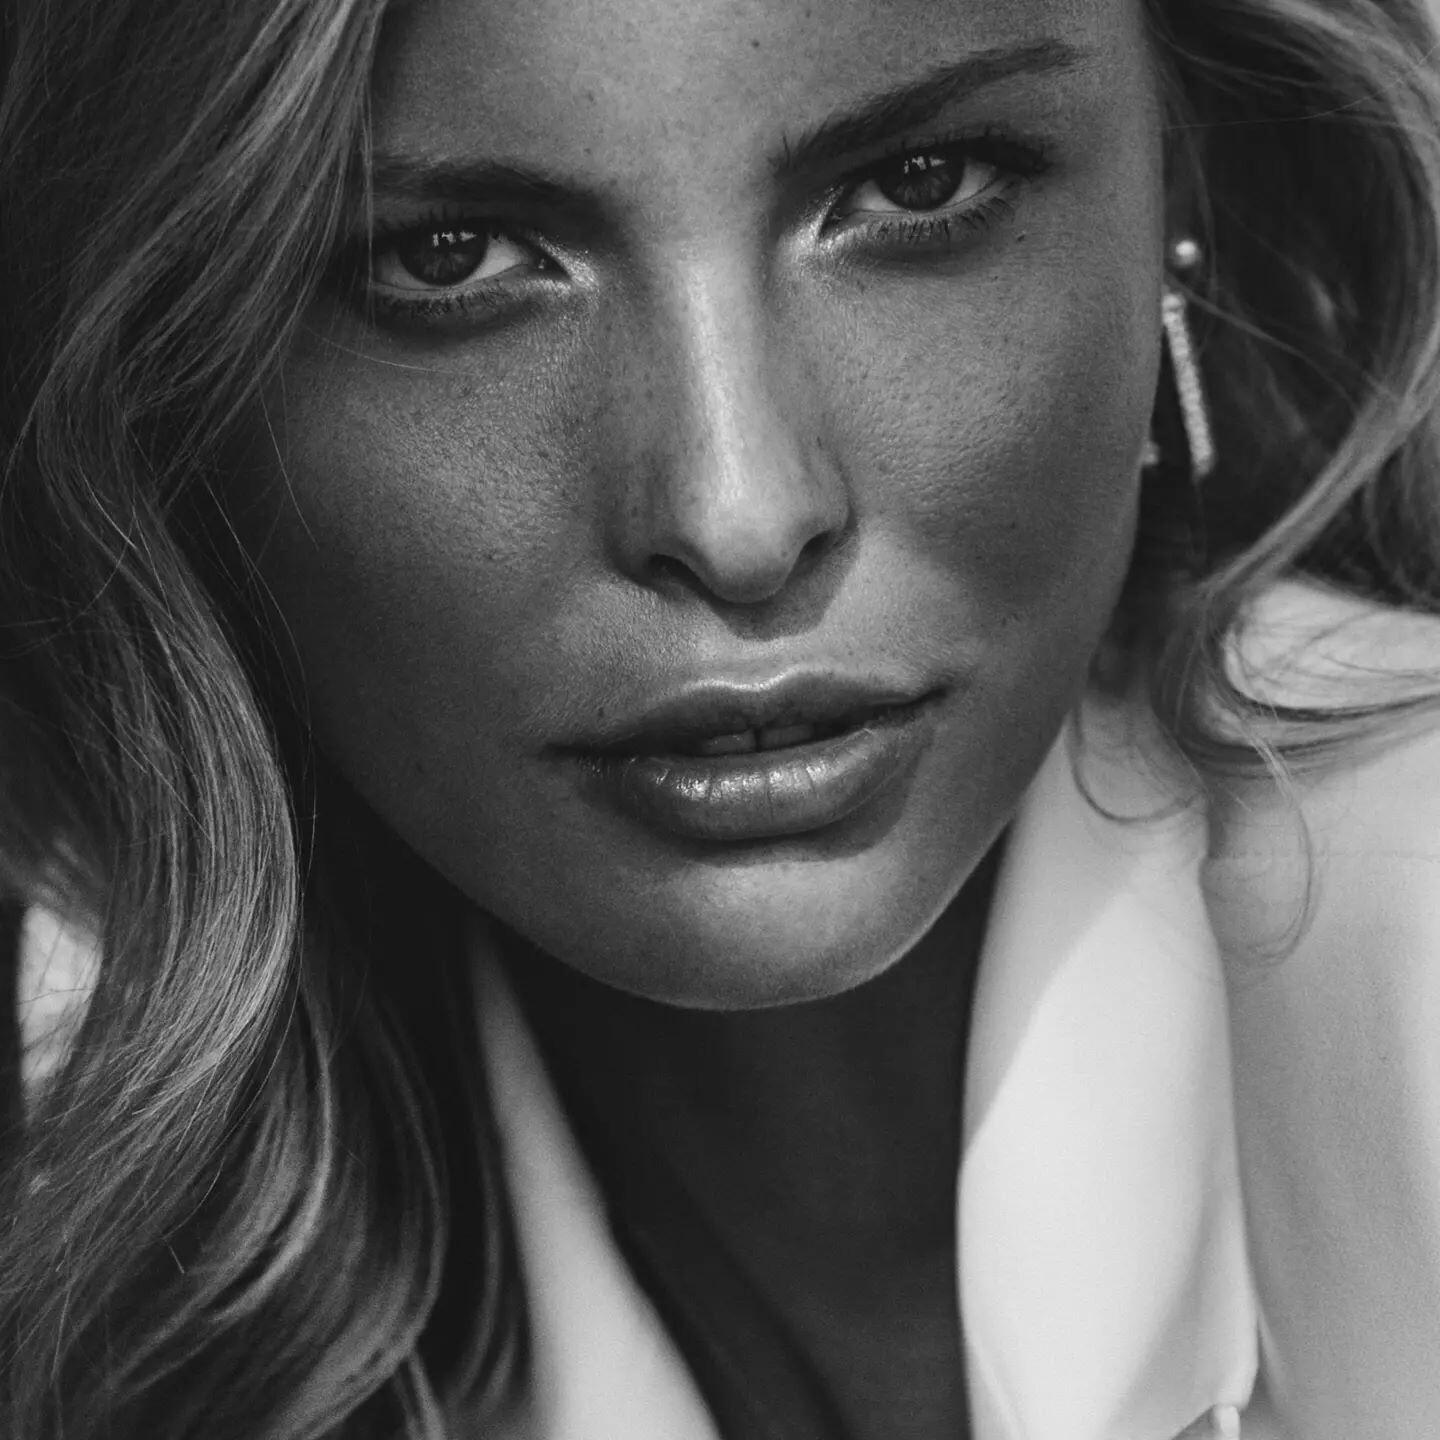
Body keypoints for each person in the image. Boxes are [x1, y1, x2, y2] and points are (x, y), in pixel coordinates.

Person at [4, 0, 1440, 1435]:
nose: (738, 515)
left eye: (916, 188)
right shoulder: (91, 1266)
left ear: (1179, 194)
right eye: (451, 258)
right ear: (158, 363)